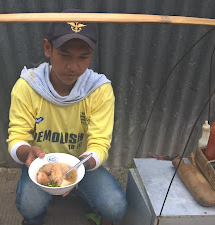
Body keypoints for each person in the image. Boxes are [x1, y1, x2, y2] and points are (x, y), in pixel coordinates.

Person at [7, 8, 127, 225]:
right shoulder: (27, 87)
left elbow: (100, 143)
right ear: (47, 48)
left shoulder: (99, 90)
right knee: (29, 206)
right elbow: (17, 138)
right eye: (64, 55)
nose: (74, 67)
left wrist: (77, 170)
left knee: (115, 207)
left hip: (81, 165)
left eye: (84, 57)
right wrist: (27, 152)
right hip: (41, 163)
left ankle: (81, 194)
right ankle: (36, 219)